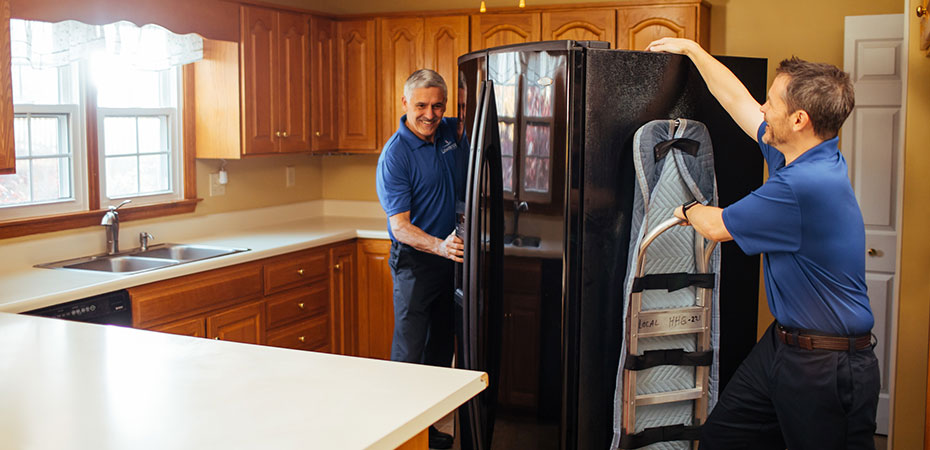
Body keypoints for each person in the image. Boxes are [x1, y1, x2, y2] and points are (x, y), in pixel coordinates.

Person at [646, 38, 879, 449]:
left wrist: (684, 207)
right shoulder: (801, 153)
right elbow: (738, 100)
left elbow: (717, 226)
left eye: (771, 102)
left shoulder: (802, 185)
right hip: (784, 346)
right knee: (723, 438)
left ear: (799, 119)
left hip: (827, 365)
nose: (763, 109)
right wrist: (693, 51)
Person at [375, 69, 467, 450]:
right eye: (421, 106)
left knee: (441, 349)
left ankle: (430, 433)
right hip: (417, 262)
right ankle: (401, 437)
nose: (430, 115)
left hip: (453, 261)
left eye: (438, 106)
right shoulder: (395, 155)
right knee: (410, 353)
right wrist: (440, 246)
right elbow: (400, 227)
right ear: (404, 104)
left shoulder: (449, 132)